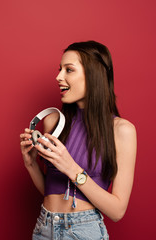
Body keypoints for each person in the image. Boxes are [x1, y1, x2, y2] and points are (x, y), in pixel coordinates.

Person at [20, 41, 137, 239]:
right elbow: (51, 192)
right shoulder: (52, 122)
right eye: (60, 70)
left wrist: (72, 169)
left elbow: (117, 211)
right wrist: (31, 163)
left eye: (69, 70)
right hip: (44, 227)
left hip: (84, 230)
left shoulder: (122, 130)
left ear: (94, 75)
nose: (58, 77)